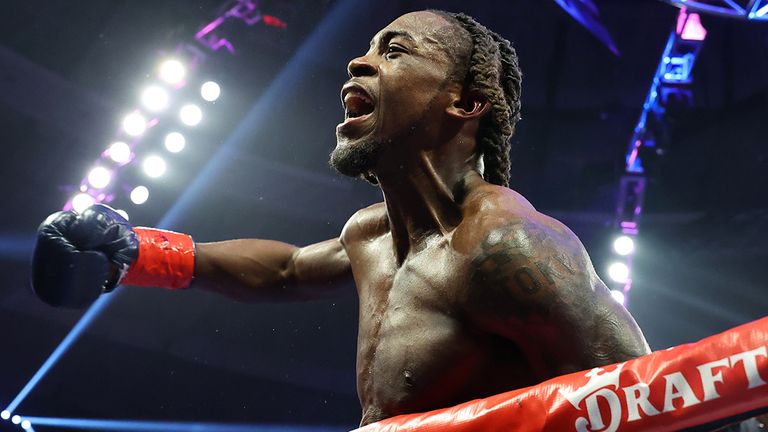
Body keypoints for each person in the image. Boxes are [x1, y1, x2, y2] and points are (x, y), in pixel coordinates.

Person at [31, 10, 650, 427]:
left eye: (395, 51)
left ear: (464, 102)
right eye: (363, 50)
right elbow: (287, 270)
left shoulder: (505, 246)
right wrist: (138, 249)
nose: (357, 63)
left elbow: (647, 393)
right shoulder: (372, 234)